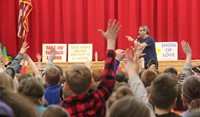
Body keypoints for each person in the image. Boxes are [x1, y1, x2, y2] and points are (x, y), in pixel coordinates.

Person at [60, 19, 121, 117]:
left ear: (66, 85)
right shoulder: (97, 101)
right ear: (91, 84)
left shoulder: (60, 111)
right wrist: (111, 42)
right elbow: (108, 78)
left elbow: (108, 79)